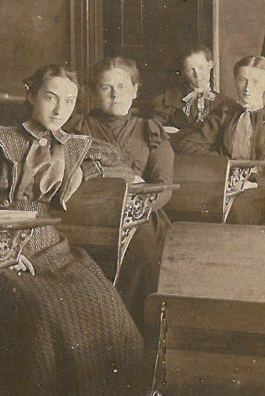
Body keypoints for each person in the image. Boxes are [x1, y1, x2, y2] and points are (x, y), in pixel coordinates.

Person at [0, 65, 144, 395]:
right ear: (31, 95)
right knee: (40, 318)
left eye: (69, 100)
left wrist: (86, 168)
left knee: (109, 311)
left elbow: (119, 165)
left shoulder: (75, 146)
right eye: (50, 97)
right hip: (7, 249)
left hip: (53, 248)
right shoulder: (4, 139)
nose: (59, 108)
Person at [69, 57, 175, 334]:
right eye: (106, 88)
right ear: (95, 91)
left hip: (140, 217)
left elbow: (163, 185)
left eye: (122, 86)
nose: (115, 94)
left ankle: (134, 331)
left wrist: (137, 205)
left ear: (136, 90)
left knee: (142, 249)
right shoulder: (80, 129)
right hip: (91, 216)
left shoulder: (150, 130)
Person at [179, 55, 265, 225]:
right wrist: (224, 164)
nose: (247, 89)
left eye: (255, 82)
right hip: (224, 184)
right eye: (242, 80)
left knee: (235, 208)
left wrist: (253, 183)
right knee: (193, 205)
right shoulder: (224, 114)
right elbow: (188, 144)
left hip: (264, 191)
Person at [149, 43, 218, 145]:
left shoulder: (223, 103)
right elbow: (154, 130)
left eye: (201, 67)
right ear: (184, 72)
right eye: (191, 70)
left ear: (210, 65)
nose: (197, 75)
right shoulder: (168, 99)